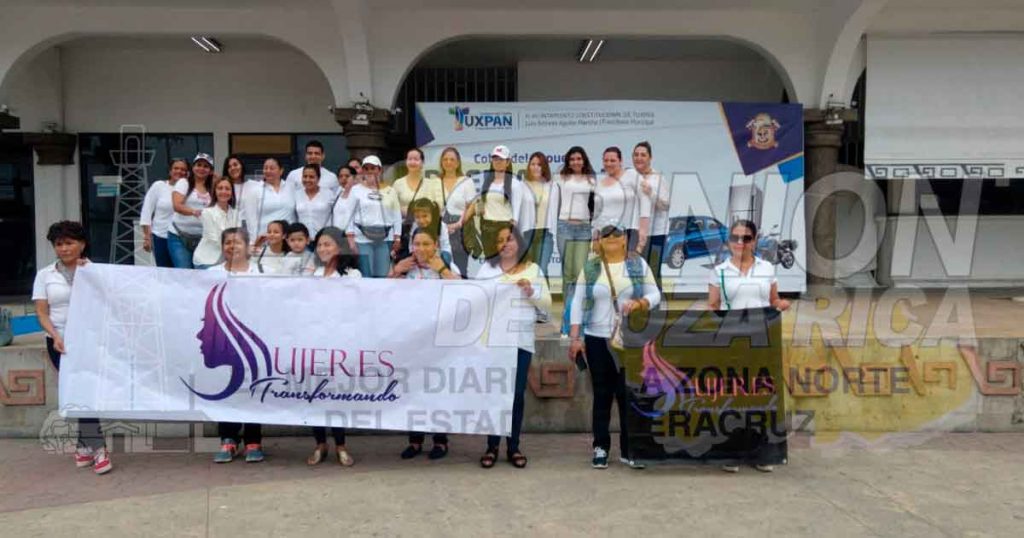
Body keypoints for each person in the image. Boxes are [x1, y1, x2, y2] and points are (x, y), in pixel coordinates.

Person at [568, 225, 661, 469]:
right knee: (601, 394)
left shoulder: (637, 265)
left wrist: (640, 303)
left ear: (625, 240)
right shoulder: (590, 267)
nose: (611, 239)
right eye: (606, 235)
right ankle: (600, 447)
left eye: (616, 235)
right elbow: (577, 301)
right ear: (599, 241)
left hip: (628, 340)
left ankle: (630, 448)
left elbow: (656, 294)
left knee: (627, 394)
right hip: (597, 338)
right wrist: (575, 338)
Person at [707, 219, 790, 473]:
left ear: (754, 241)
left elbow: (773, 299)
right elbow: (713, 306)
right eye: (735, 238)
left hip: (762, 341)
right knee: (732, 397)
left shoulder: (767, 268)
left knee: (761, 396)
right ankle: (732, 452)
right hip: (732, 343)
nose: (740, 243)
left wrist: (780, 304)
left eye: (746, 238)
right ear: (729, 241)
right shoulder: (719, 271)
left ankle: (761, 452)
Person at [33, 221, 112, 475]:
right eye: (59, 244)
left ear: (82, 244)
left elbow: (108, 303)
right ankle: (92, 447)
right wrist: (54, 335)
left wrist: (90, 275)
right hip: (59, 342)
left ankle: (89, 447)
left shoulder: (93, 271)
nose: (64, 248)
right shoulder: (45, 275)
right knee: (79, 392)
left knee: (86, 391)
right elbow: (42, 312)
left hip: (90, 340)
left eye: (69, 243)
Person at [474, 224, 551, 469]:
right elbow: (474, 301)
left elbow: (547, 305)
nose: (506, 244)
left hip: (520, 342)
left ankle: (513, 446)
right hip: (493, 342)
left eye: (510, 239)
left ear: (519, 242)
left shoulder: (533, 269)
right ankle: (492, 446)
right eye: (500, 240)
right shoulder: (486, 269)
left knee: (516, 396)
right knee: (494, 395)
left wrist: (530, 291)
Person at [389, 228, 460, 459]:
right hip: (411, 340)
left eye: (426, 244)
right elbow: (381, 296)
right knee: (413, 389)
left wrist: (442, 269)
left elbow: (464, 292)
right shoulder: (405, 268)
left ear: (436, 246)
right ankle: (415, 440)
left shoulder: (446, 268)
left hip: (439, 341)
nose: (420, 249)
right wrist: (395, 272)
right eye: (416, 244)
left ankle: (440, 441)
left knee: (437, 390)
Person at [207, 227, 264, 462]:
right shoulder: (210, 273)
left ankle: (253, 440)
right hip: (222, 341)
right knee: (225, 388)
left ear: (247, 245)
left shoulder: (261, 273)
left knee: (252, 388)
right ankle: (228, 439)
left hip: (254, 340)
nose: (232, 246)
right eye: (227, 243)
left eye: (237, 242)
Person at [306, 226, 360, 466]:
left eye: (328, 244)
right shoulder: (311, 274)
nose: (323, 249)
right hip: (314, 342)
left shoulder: (352, 275)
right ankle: (320, 443)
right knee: (315, 395)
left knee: (337, 396)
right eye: (319, 245)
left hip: (340, 343)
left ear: (339, 247)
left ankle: (341, 444)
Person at [549, 146, 597, 336]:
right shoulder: (560, 178)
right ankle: (566, 323)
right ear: (568, 161)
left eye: (579, 158)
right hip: (565, 228)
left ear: (584, 160)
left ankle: (578, 322)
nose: (576, 162)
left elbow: (594, 206)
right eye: (573, 159)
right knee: (568, 277)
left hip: (584, 228)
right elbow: (554, 204)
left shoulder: (592, 180)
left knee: (580, 276)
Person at [455, 145, 523, 260]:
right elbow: (481, 204)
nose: (498, 162)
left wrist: (513, 227)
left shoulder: (515, 183)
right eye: (495, 159)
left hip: (504, 228)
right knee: (490, 263)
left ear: (508, 162)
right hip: (486, 227)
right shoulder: (486, 181)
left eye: (501, 159)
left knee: (505, 263)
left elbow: (517, 207)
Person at [346, 155, 401, 278]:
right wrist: (350, 239)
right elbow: (349, 214)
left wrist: (397, 237)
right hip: (362, 238)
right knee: (366, 274)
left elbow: (396, 215)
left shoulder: (390, 191)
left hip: (385, 238)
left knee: (382, 274)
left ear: (380, 170)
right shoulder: (356, 190)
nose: (370, 171)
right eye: (366, 168)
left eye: (373, 168)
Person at [393, 148, 445, 258]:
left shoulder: (434, 183)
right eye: (409, 159)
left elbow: (438, 207)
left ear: (422, 162)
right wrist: (421, 210)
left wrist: (409, 211)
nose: (412, 162)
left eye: (416, 159)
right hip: (405, 232)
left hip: (429, 231)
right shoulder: (398, 183)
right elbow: (393, 209)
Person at [594, 147, 646, 253]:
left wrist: (643, 230)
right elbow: (597, 212)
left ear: (621, 161)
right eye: (606, 160)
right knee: (608, 268)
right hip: (605, 234)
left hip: (628, 231)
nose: (608, 163)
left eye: (613, 160)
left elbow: (645, 201)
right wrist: (596, 234)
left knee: (628, 267)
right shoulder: (600, 184)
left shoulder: (632, 175)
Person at [633, 141, 670, 286]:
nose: (639, 158)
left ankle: (654, 308)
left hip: (656, 234)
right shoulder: (631, 177)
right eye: (636, 155)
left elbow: (665, 205)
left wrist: (651, 193)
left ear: (650, 158)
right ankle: (638, 307)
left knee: (653, 272)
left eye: (643, 155)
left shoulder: (658, 178)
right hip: (635, 234)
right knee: (636, 273)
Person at [168, 153, 214, 269]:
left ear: (210, 170)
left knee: (204, 271)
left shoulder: (213, 187)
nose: (201, 169)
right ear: (193, 167)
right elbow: (177, 205)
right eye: (199, 165)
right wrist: (194, 212)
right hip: (180, 236)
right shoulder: (184, 183)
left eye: (206, 166)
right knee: (184, 272)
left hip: (204, 238)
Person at [436, 146, 477, 276]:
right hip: (440, 233)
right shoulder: (434, 182)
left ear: (458, 163)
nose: (448, 162)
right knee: (441, 269)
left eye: (452, 159)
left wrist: (460, 223)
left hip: (460, 233)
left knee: (460, 270)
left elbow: (472, 206)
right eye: (445, 159)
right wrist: (441, 227)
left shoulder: (466, 181)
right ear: (441, 162)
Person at [140, 158, 189, 268]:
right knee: (164, 272)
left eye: (183, 169)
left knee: (182, 272)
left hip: (182, 238)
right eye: (176, 168)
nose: (179, 171)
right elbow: (146, 212)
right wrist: (147, 237)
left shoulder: (190, 189)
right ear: (170, 171)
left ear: (187, 173)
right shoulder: (159, 186)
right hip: (161, 236)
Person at [241, 157, 296, 247]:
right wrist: (254, 242)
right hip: (265, 241)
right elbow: (251, 219)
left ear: (281, 171)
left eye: (272, 168)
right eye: (265, 168)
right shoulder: (255, 190)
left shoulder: (291, 188)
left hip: (288, 242)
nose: (268, 171)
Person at [520, 151, 556, 282]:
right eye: (533, 164)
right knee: (529, 270)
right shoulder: (522, 186)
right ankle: (534, 301)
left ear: (544, 167)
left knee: (541, 268)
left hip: (545, 232)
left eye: (539, 164)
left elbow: (556, 210)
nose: (535, 167)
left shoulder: (552, 186)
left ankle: (544, 301)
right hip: (528, 233)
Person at [193, 177, 240, 269]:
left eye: (227, 189)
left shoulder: (236, 213)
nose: (224, 191)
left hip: (226, 261)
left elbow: (238, 236)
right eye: (220, 188)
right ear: (215, 191)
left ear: (232, 192)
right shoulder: (207, 212)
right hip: (206, 261)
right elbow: (213, 238)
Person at [408, 198, 452, 265]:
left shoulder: (440, 226)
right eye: (417, 217)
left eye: (425, 216)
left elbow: (445, 247)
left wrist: (444, 261)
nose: (421, 220)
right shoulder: (415, 226)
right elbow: (411, 245)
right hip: (420, 260)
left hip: (437, 259)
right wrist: (414, 255)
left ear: (432, 214)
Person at [295, 165, 334, 241]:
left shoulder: (329, 194)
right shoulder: (296, 194)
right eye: (305, 176)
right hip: (302, 241)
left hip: (325, 239)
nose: (307, 179)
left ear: (318, 179)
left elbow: (334, 216)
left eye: (311, 177)